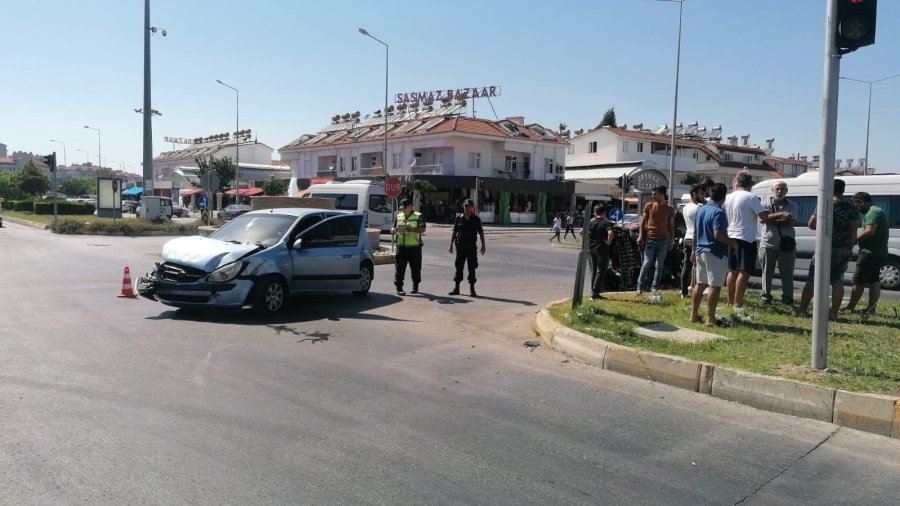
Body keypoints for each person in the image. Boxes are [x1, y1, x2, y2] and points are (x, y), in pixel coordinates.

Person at [794, 179, 858, 319]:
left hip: (824, 247)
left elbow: (811, 224)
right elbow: (854, 230)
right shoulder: (852, 208)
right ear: (843, 190)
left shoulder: (825, 204)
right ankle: (833, 313)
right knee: (837, 281)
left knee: (812, 279)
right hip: (842, 249)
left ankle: (802, 309)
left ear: (830, 189)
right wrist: (850, 247)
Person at [723, 170, 769, 318]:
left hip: (731, 235)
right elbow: (763, 217)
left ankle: (730, 302)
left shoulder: (729, 197)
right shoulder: (751, 197)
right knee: (744, 271)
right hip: (746, 237)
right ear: (750, 184)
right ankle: (738, 302)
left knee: (732, 270)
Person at [690, 183, 735, 327]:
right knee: (715, 285)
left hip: (700, 250)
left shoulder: (701, 210)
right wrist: (732, 243)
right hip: (715, 252)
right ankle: (710, 318)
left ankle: (694, 315)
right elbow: (718, 234)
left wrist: (693, 250)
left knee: (700, 284)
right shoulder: (719, 212)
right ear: (724, 196)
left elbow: (695, 233)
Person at [841, 192, 889, 316]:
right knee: (874, 281)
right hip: (877, 252)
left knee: (858, 280)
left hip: (870, 253)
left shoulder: (873, 212)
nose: (856, 208)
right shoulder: (876, 211)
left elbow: (869, 232)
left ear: (861, 202)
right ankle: (871, 309)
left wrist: (854, 240)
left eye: (856, 204)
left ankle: (850, 308)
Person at [758, 180, 798, 305]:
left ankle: (787, 298)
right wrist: (781, 215)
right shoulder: (765, 203)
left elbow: (791, 221)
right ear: (772, 190)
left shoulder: (793, 205)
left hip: (786, 244)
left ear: (786, 191)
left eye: (782, 189)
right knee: (766, 272)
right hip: (768, 243)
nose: (779, 191)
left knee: (787, 272)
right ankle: (766, 296)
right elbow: (762, 219)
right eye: (777, 189)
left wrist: (770, 218)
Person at [635, 185, 675, 296]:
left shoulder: (669, 209)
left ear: (662, 195)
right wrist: (641, 235)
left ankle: (655, 287)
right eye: (653, 193)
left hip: (663, 241)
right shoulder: (649, 205)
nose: (653, 195)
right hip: (651, 239)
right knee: (646, 263)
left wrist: (671, 240)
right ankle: (639, 288)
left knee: (659, 265)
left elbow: (671, 226)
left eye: (655, 194)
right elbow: (643, 222)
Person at [449, 199, 486, 297]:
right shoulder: (459, 218)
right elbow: (454, 232)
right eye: (465, 206)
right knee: (459, 267)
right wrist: (451, 245)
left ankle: (472, 290)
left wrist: (483, 245)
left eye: (469, 206)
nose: (467, 208)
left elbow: (481, 232)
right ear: (463, 207)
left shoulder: (476, 219)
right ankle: (456, 288)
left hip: (471, 247)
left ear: (472, 207)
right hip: (460, 246)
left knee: (472, 267)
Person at [579, 204, 615, 301]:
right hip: (602, 250)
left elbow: (581, 232)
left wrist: (589, 239)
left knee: (594, 271)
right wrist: (608, 242)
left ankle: (593, 291)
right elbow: (611, 233)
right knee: (601, 271)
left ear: (595, 212)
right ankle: (595, 294)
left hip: (592, 249)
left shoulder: (591, 222)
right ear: (604, 213)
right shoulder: (606, 223)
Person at [392, 198, 426, 296]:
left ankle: (415, 286)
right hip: (401, 246)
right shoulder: (399, 216)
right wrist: (393, 230)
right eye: (402, 208)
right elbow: (394, 226)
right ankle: (399, 287)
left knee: (415, 268)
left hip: (414, 247)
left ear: (411, 206)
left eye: (405, 208)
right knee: (399, 268)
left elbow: (423, 229)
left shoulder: (418, 216)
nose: (403, 210)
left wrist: (412, 229)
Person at [680, 183, 707, 298]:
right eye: (701, 194)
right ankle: (698, 291)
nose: (703, 196)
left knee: (686, 267)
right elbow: (699, 227)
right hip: (696, 239)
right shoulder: (698, 208)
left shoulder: (686, 207)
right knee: (699, 267)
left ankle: (684, 291)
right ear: (694, 194)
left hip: (687, 237)